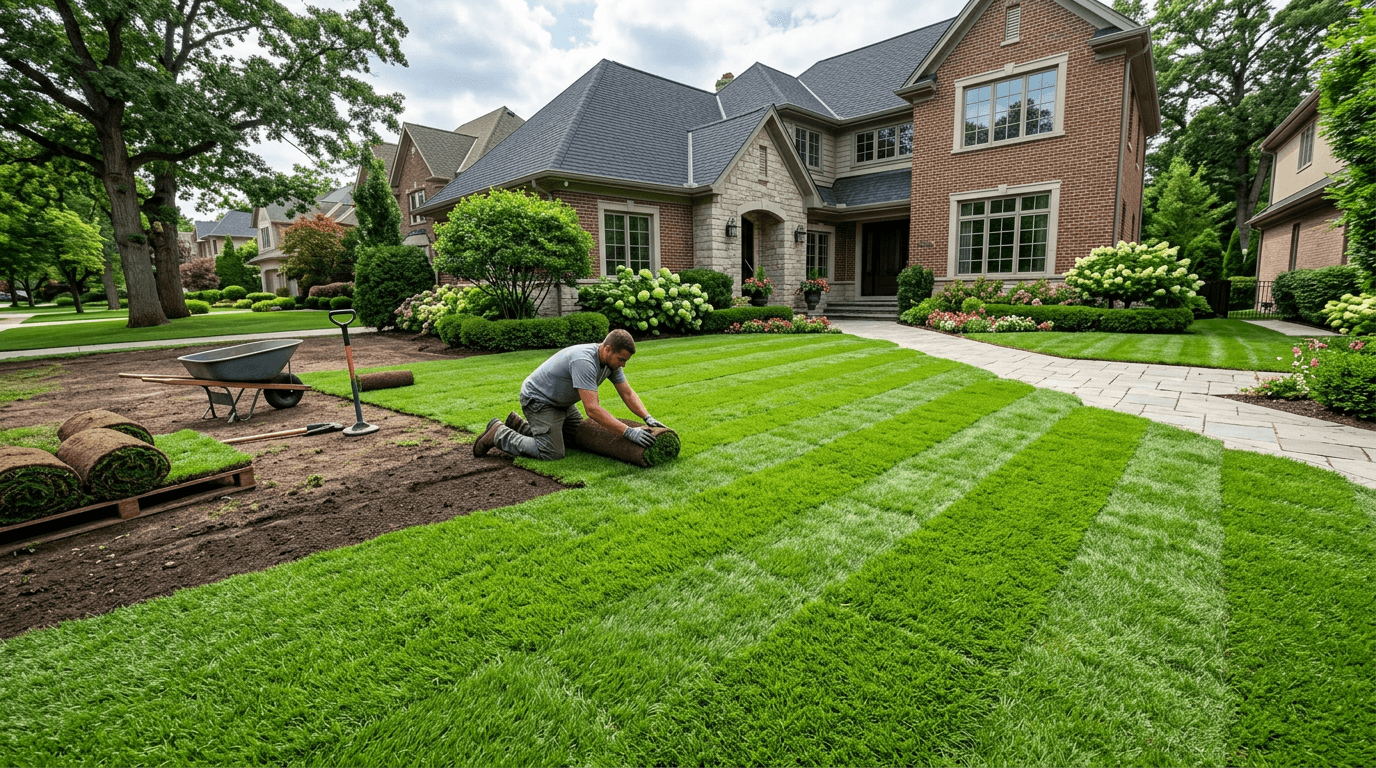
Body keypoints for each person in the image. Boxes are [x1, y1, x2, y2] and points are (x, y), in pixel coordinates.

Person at [473, 328, 666, 460]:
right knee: (551, 452)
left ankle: (518, 426)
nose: (623, 364)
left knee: (576, 437)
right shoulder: (585, 361)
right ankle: (498, 433)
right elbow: (592, 409)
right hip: (539, 400)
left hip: (561, 403)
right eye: (621, 359)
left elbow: (628, 393)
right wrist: (629, 432)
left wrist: (647, 417)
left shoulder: (610, 363)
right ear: (607, 349)